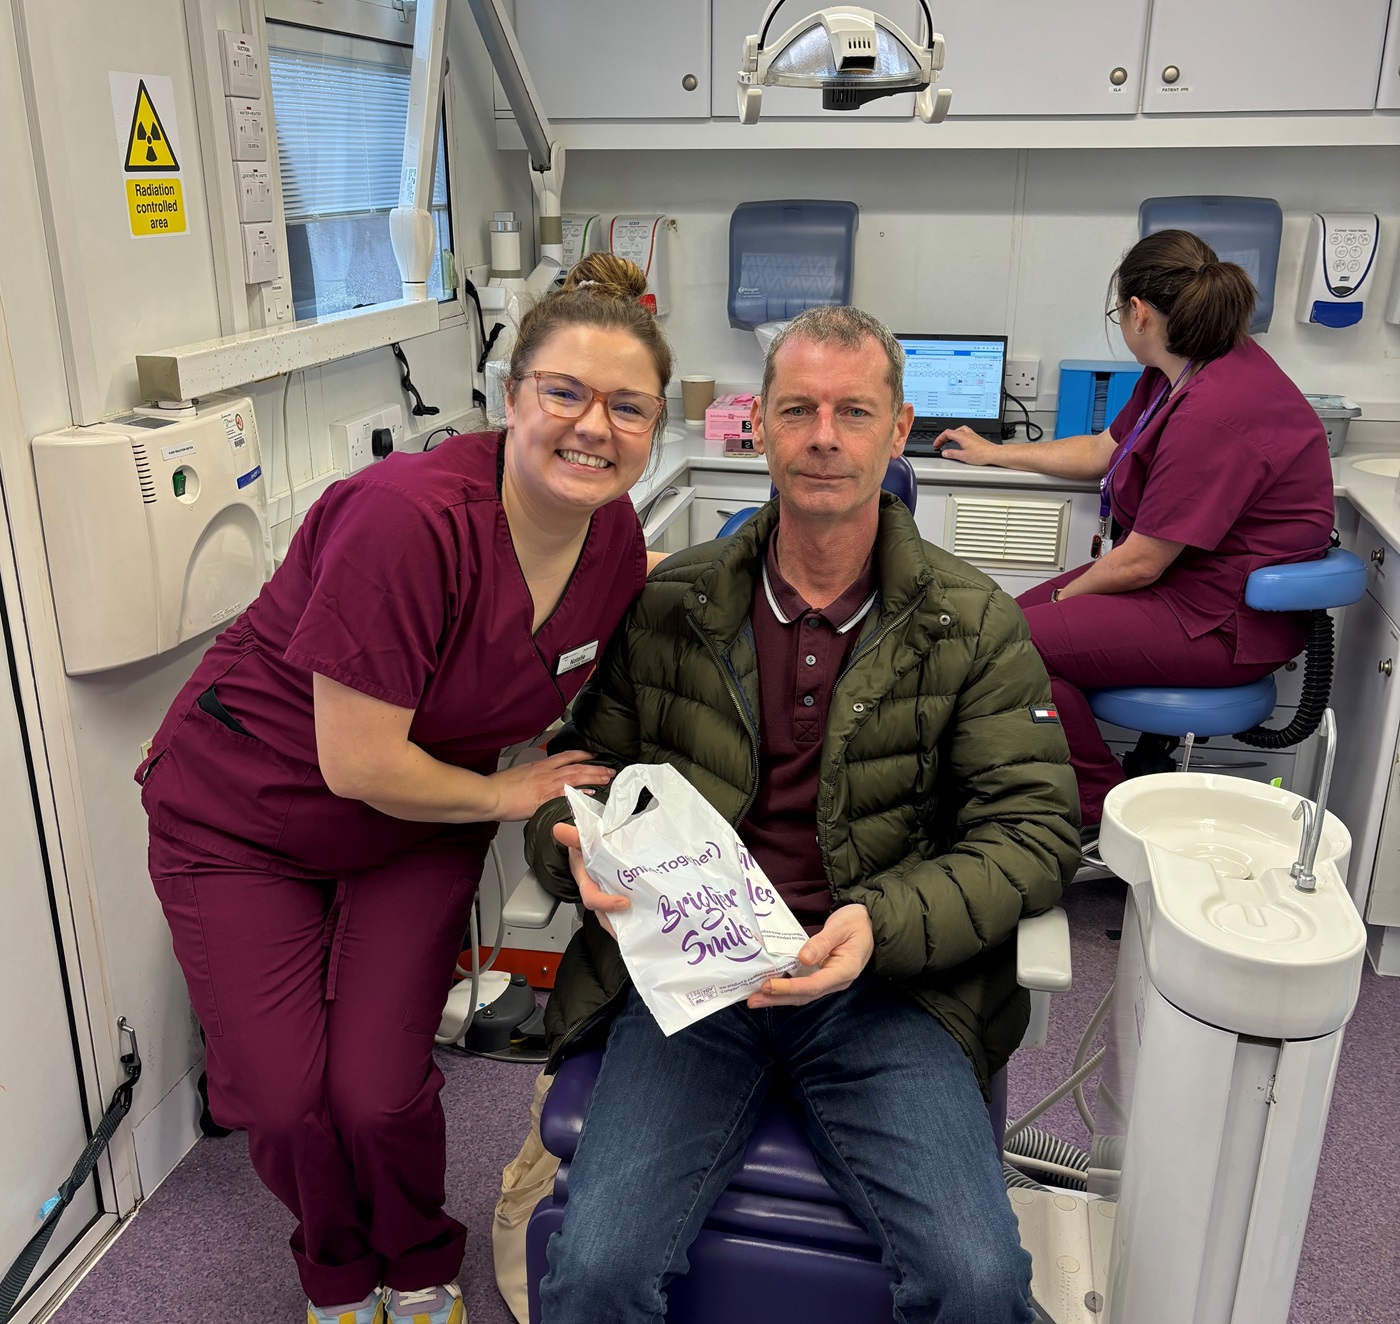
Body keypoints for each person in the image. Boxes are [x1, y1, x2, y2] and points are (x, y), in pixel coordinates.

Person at [136, 254, 673, 1324]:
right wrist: (512, 795)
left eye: (628, 406)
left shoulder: (611, 534)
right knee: (285, 1103)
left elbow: (601, 652)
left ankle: (418, 1260)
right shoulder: (406, 520)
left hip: (418, 820)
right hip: (247, 814)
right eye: (563, 393)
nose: (592, 427)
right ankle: (337, 1277)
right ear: (510, 397)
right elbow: (359, 763)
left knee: (378, 1092)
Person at [522, 305, 1080, 1323]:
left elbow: (1033, 831)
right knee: (595, 1267)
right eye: (797, 409)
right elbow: (578, 775)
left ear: (896, 430)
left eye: (852, 411)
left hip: (883, 987)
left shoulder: (971, 622)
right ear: (761, 429)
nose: (823, 435)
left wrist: (881, 923)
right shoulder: (671, 605)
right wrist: (575, 852)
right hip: (696, 980)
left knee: (976, 1280)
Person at [936, 230, 1335, 832]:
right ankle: (1074, 784)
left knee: (1007, 646)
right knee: (1003, 625)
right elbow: (1104, 449)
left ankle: (1100, 807)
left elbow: (1143, 562)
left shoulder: (1216, 409)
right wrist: (996, 454)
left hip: (1220, 619)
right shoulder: (1180, 367)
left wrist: (1069, 598)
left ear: (1138, 312)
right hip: (1183, 585)